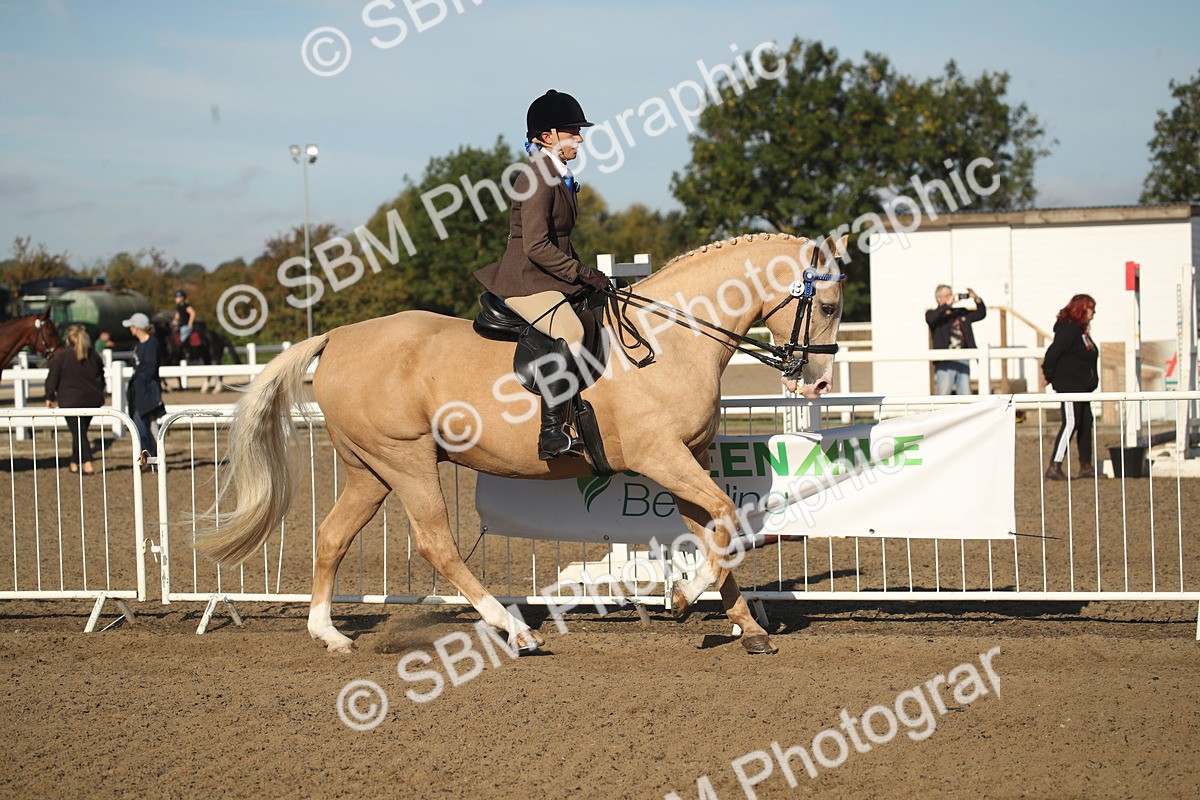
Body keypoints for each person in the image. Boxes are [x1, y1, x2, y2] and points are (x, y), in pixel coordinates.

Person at [474, 89, 611, 460]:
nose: (580, 138)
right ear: (547, 136)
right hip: (526, 279)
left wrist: (589, 277)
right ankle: (551, 433)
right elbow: (535, 245)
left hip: (549, 277)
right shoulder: (535, 176)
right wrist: (580, 271)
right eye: (572, 131)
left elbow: (560, 240)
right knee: (571, 331)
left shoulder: (559, 175)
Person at [1042, 294, 1099, 481]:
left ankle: (1086, 466)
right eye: (1091, 309)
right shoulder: (1068, 330)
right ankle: (1055, 465)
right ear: (1081, 309)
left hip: (1082, 388)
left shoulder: (1081, 332)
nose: (1094, 313)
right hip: (1070, 387)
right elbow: (1053, 352)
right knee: (1072, 422)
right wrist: (1048, 375)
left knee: (1086, 423)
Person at [44, 324, 107, 475]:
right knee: (80, 432)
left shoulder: (61, 357)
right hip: (91, 400)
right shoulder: (94, 356)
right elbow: (101, 378)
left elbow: (52, 379)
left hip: (70, 402)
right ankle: (74, 462)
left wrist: (49, 396)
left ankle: (88, 462)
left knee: (78, 433)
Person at [926, 285, 986, 395]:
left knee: (965, 393)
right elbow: (931, 319)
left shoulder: (960, 312)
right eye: (947, 295)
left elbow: (981, 314)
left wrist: (976, 299)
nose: (951, 297)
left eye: (951, 294)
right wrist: (946, 306)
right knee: (943, 393)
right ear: (939, 298)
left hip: (963, 358)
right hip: (945, 360)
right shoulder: (933, 314)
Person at [123, 312, 165, 463]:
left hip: (147, 392)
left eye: (132, 326)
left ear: (137, 327)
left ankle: (155, 457)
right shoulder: (139, 345)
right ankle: (150, 457)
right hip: (138, 391)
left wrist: (139, 380)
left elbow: (150, 370)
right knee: (144, 426)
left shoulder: (152, 344)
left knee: (147, 426)